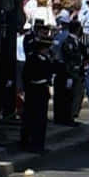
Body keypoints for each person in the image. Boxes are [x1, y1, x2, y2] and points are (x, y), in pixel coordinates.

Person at [20, 25, 53, 153]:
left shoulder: (46, 59)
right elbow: (28, 76)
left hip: (42, 91)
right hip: (34, 91)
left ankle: (39, 144)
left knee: (41, 120)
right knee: (31, 118)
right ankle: (30, 143)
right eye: (45, 48)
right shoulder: (33, 60)